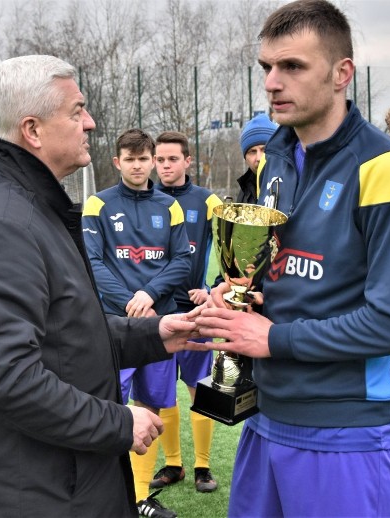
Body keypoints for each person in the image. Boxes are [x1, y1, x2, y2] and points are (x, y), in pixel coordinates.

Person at [192, 1, 390, 516]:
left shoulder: (388, 168)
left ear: (341, 73)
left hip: (345, 427)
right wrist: (246, 298)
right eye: (266, 68)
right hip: (265, 413)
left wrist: (272, 338)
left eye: (293, 67)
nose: (272, 83)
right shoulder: (274, 158)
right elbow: (293, 272)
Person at [0, 55, 197, 518]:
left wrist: (153, 334)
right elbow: (6, 380)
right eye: (77, 111)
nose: (90, 122)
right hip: (23, 494)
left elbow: (64, 337)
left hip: (49, 483)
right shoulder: (3, 222)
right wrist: (118, 422)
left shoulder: (25, 204)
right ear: (32, 130)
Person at [82, 128, 192, 503]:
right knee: (108, 405)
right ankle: (104, 494)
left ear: (152, 161)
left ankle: (140, 497)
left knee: (150, 406)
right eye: (130, 159)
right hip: (113, 324)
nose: (138, 165)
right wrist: (130, 301)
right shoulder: (97, 204)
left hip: (158, 323)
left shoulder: (170, 207)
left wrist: (149, 294)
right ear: (117, 162)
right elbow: (92, 263)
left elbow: (183, 260)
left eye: (144, 159)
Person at [149, 130, 223, 493]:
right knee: (162, 391)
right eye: (159, 159)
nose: (164, 166)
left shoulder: (206, 201)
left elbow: (229, 252)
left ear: (187, 161)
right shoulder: (145, 201)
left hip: (195, 312)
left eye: (172, 159)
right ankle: (173, 464)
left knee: (199, 389)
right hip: (157, 314)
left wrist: (212, 290)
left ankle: (203, 468)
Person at [237, 113, 277, 203]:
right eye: (252, 152)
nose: (259, 158)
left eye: (264, 149)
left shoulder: (292, 184)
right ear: (245, 158)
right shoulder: (245, 191)